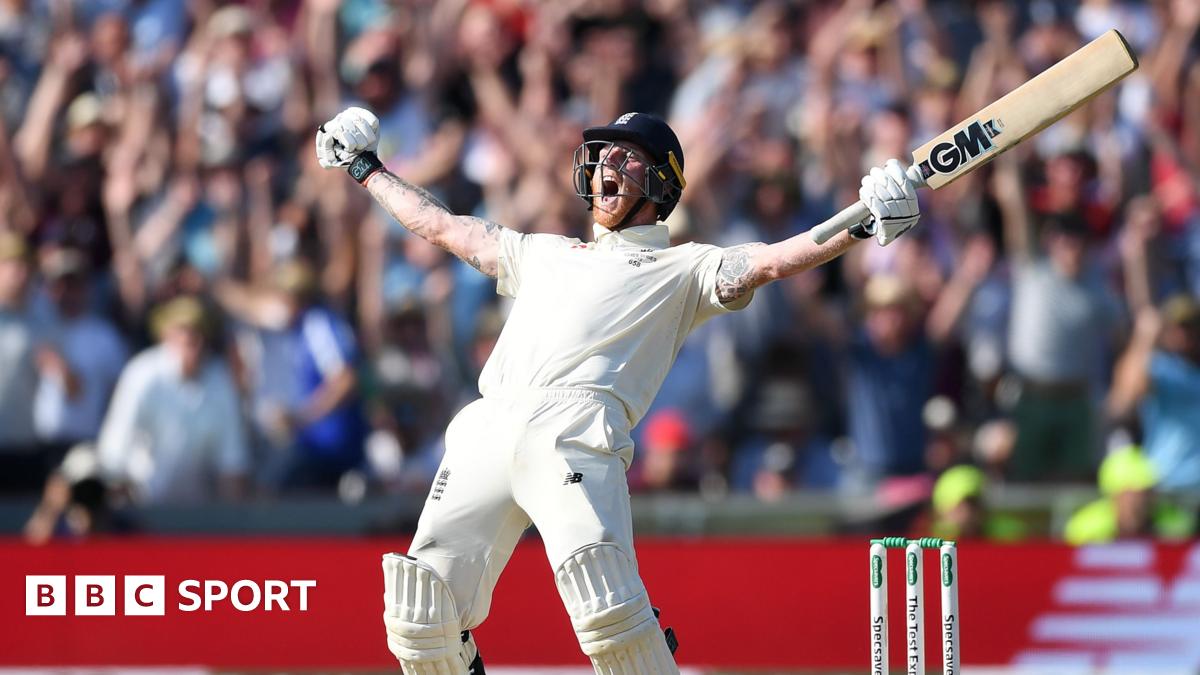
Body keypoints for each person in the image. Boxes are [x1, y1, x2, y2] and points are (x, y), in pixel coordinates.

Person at [316, 107, 923, 673]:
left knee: (610, 616)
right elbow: (444, 227)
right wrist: (364, 167)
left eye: (626, 157)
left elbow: (774, 260)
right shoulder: (541, 251)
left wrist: (863, 222)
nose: (606, 165)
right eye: (603, 154)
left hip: (574, 434)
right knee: (419, 618)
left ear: (662, 181)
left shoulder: (684, 267)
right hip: (488, 423)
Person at [96, 296, 250, 504]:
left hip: (198, 516)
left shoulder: (220, 382)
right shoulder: (142, 374)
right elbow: (115, 447)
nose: (194, 341)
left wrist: (231, 522)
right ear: (166, 335)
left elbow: (232, 461)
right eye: (185, 331)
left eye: (199, 332)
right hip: (140, 509)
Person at [1063, 445, 1195, 545]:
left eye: (1148, 492)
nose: (1141, 501)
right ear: (1114, 496)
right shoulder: (1085, 530)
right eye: (1132, 494)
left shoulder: (1176, 527)